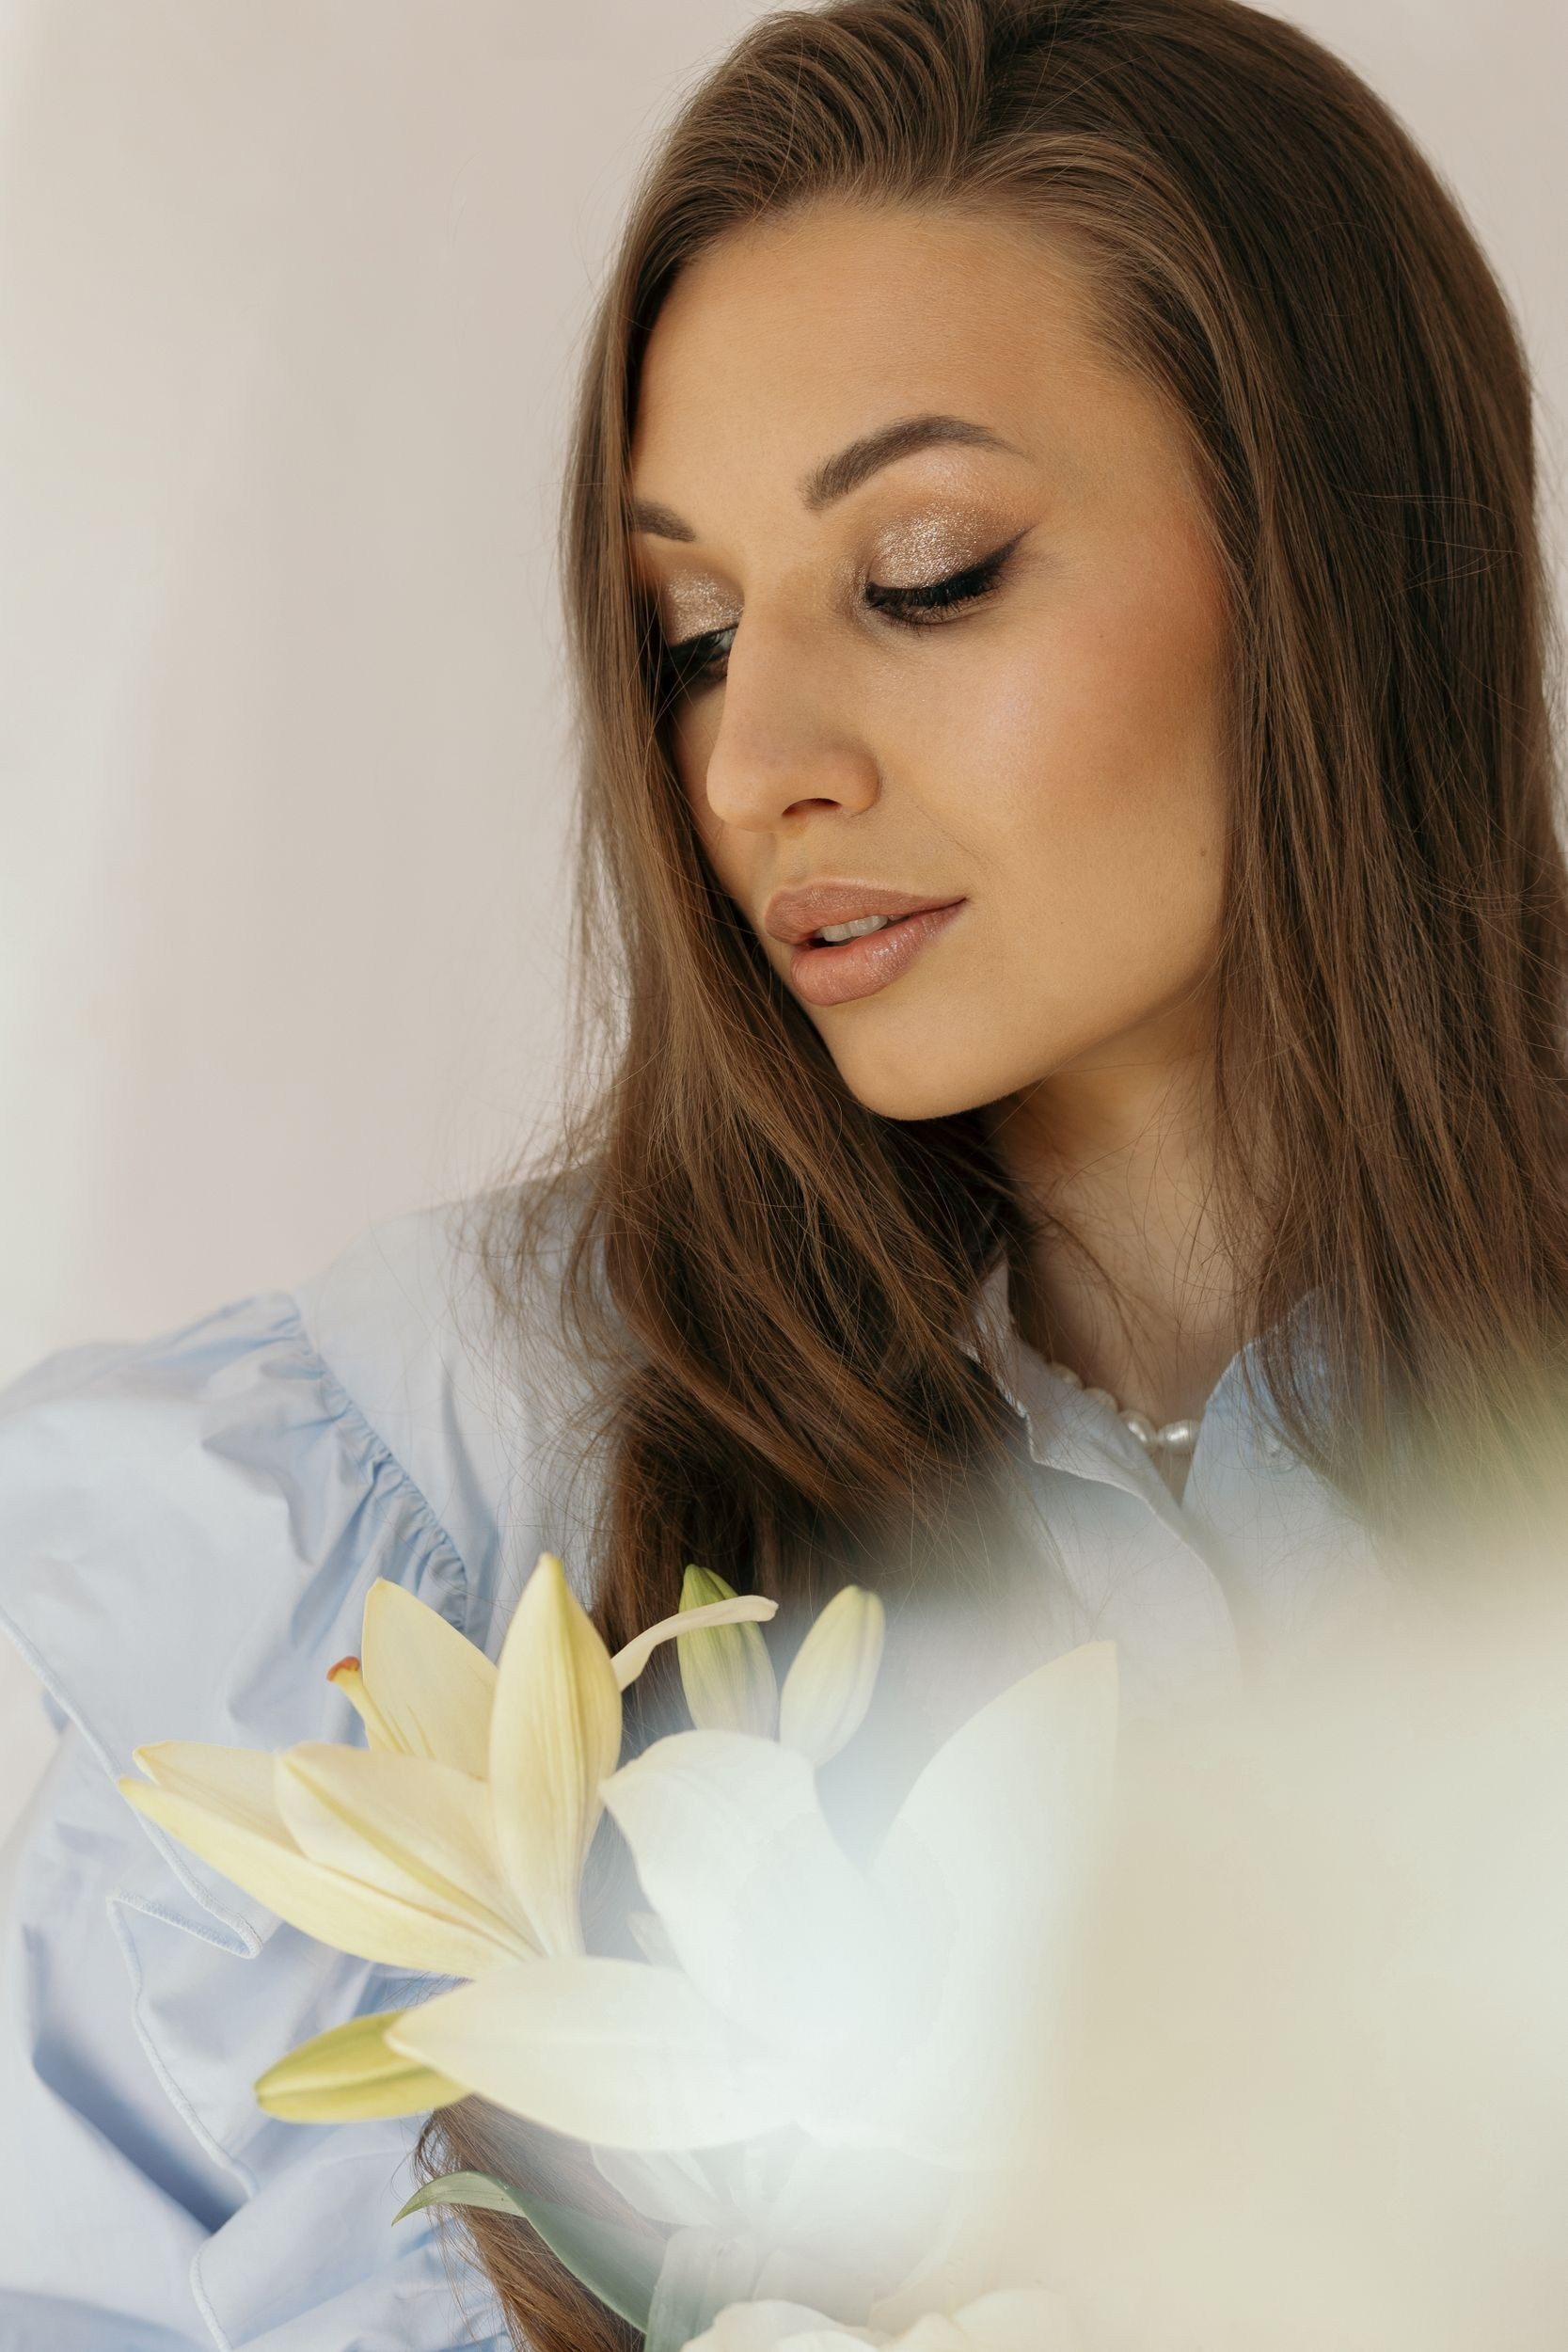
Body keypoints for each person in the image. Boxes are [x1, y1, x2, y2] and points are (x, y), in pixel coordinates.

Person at [2, 0, 1563, 2344]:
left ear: (1338, 560)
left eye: (926, 573)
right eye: (693, 636)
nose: (754, 766)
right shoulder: (387, 1531)